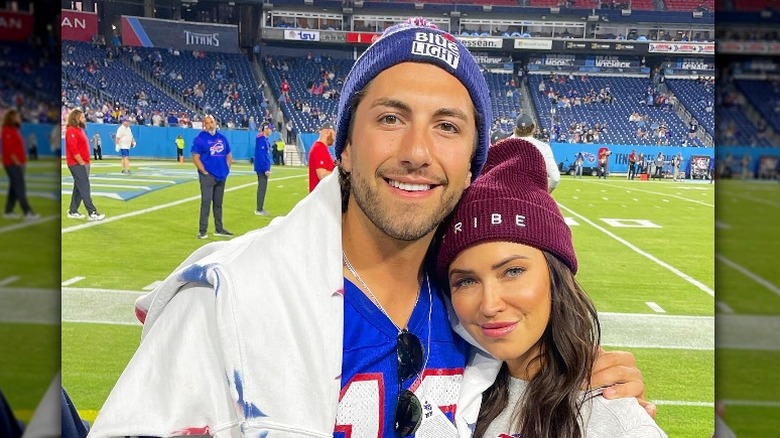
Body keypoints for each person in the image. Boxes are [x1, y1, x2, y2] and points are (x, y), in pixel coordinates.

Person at [88, 18, 647, 438]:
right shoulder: (229, 297)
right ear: (345, 148)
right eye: (390, 118)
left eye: (447, 126)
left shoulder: (470, 308)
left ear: (471, 163)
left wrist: (583, 388)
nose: (417, 152)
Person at [436, 138, 667, 437]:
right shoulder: (458, 391)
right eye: (466, 280)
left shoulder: (611, 415)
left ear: (556, 276)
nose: (489, 304)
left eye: (513, 271)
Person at [192, 114, 233, 239]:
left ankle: (219, 229)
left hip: (221, 175)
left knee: (218, 204)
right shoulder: (200, 139)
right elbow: (195, 157)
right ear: (204, 125)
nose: (210, 125)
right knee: (206, 203)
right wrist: (204, 172)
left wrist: (226, 169)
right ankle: (202, 230)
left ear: (215, 123)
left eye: (211, 122)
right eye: (207, 123)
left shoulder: (222, 138)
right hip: (208, 177)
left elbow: (228, 155)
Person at [65, 109, 105, 221]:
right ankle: (92, 212)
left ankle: (73, 211)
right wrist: (81, 162)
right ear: (76, 118)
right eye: (82, 117)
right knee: (85, 187)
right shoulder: (71, 130)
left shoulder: (79, 130)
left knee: (78, 187)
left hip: (83, 163)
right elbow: (73, 149)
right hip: (76, 163)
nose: (84, 119)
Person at [2, 109, 39, 220]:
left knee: (13, 188)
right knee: (20, 187)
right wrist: (17, 162)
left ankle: (8, 211)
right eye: (17, 116)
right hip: (12, 164)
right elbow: (9, 149)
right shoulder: (7, 130)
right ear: (12, 118)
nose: (19, 118)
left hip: (17, 163)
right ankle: (27, 211)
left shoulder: (14, 130)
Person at [510, 113, 559, 192]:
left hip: (508, 195)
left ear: (515, 128)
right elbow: (555, 178)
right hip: (531, 196)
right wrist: (544, 194)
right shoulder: (543, 148)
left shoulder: (505, 143)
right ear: (533, 128)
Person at [307, 120, 336, 192]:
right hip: (320, 197)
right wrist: (339, 173)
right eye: (334, 134)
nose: (334, 138)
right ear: (328, 132)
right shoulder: (319, 149)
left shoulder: (322, 148)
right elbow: (322, 175)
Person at [254, 121, 272, 216]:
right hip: (262, 168)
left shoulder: (263, 139)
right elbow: (262, 156)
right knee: (262, 188)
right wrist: (266, 169)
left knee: (262, 188)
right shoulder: (262, 140)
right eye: (270, 128)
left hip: (262, 167)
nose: (271, 130)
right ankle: (259, 209)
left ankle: (260, 208)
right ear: (266, 129)